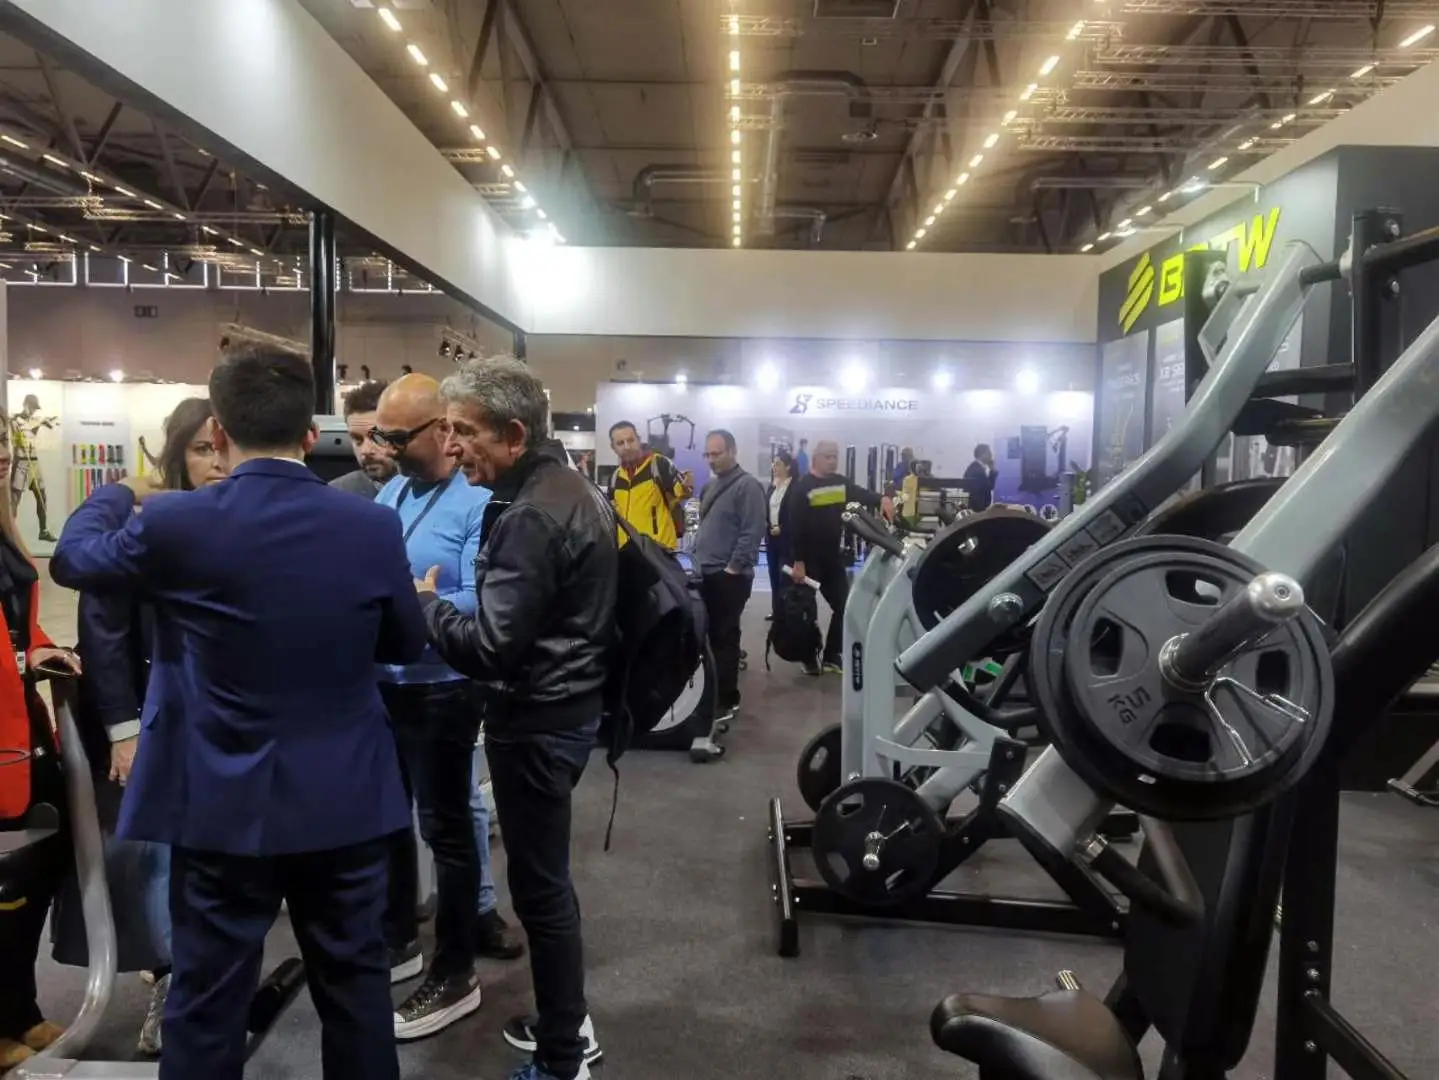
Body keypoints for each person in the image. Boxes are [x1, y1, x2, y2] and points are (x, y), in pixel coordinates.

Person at [49, 347, 428, 1080]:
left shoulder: (176, 522)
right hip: (344, 798)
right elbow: (404, 644)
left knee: (206, 1001)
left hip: (218, 802)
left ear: (218, 432)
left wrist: (121, 491)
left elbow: (73, 558)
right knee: (356, 992)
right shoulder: (371, 526)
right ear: (312, 434)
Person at [419, 357, 614, 1080]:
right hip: (565, 709)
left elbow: (491, 648)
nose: (451, 447)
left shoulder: (532, 512)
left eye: (463, 431)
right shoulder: (563, 486)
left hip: (537, 721)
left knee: (540, 891)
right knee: (544, 884)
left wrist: (426, 606)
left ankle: (563, 1058)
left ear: (512, 433)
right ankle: (564, 1024)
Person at [60, 398, 225, 1058]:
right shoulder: (143, 523)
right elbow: (103, 627)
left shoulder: (236, 519)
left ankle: (203, 983)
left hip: (225, 723)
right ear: (177, 454)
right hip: (155, 718)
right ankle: (171, 984)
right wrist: (125, 729)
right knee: (157, 858)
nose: (216, 462)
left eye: (222, 447)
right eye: (202, 450)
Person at [370, 374, 522, 1041]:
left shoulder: (480, 503)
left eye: (397, 437)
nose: (385, 448)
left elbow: (481, 599)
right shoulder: (393, 493)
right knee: (387, 823)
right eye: (381, 435)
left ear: (441, 430)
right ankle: (398, 939)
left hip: (443, 687)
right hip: (384, 682)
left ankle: (455, 970)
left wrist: (418, 599)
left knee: (449, 832)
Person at [0, 409, 80, 1072]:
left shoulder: (6, 531)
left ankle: (17, 1010)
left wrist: (43, 650)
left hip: (25, 731)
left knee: (35, 872)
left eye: (2, 443)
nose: (3, 456)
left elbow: (20, 625)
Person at [789, 439, 893, 676]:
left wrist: (882, 499)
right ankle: (808, 657)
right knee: (805, 611)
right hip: (808, 559)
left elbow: (861, 494)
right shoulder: (803, 487)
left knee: (844, 605)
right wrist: (798, 561)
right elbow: (796, 527)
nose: (833, 461)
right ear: (816, 458)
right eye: (828, 456)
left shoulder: (840, 484)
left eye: (835, 456)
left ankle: (832, 656)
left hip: (831, 559)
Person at [691, 430, 767, 718]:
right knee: (710, 638)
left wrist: (733, 567)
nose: (711, 459)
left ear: (733, 451)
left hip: (729, 577)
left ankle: (726, 699)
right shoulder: (710, 486)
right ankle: (710, 695)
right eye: (708, 454)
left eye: (717, 453)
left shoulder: (747, 486)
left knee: (725, 638)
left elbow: (753, 530)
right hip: (706, 574)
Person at [605, 420, 692, 550]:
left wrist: (686, 487)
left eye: (631, 440)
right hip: (627, 552)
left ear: (639, 440)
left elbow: (681, 491)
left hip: (659, 551)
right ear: (613, 447)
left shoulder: (659, 464)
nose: (627, 447)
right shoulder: (615, 477)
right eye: (620, 443)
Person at [330, 380, 397, 499]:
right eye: (358, 440)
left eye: (377, 437)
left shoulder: (430, 493)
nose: (365, 451)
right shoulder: (335, 496)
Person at [9, 395, 57, 542]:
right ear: (25, 405)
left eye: (35, 409)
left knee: (42, 495)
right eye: (32, 408)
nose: (33, 411)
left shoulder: (35, 420)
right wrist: (16, 422)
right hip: (21, 462)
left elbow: (50, 424)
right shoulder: (15, 421)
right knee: (15, 498)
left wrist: (47, 421)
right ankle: (9, 533)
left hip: (34, 463)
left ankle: (43, 531)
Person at [765, 450, 797, 620]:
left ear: (788, 467)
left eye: (777, 464)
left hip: (787, 540)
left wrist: (782, 529)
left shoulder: (794, 488)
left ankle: (786, 612)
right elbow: (767, 509)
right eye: (773, 464)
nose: (774, 467)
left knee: (784, 576)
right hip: (771, 539)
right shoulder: (772, 487)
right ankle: (776, 611)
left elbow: (797, 515)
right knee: (773, 575)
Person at [964, 442, 998, 511]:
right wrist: (992, 470)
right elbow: (989, 486)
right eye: (989, 453)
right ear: (983, 454)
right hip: (978, 508)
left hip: (978, 507)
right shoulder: (977, 470)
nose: (991, 456)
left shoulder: (975, 466)